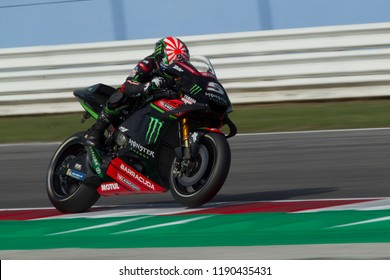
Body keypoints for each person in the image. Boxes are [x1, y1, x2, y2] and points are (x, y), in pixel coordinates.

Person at [86, 36, 190, 150]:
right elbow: (128, 85)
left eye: (181, 63)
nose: (177, 67)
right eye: (174, 63)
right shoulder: (147, 63)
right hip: (140, 99)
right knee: (120, 95)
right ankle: (96, 133)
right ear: (161, 58)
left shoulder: (181, 74)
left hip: (162, 104)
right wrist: (148, 86)